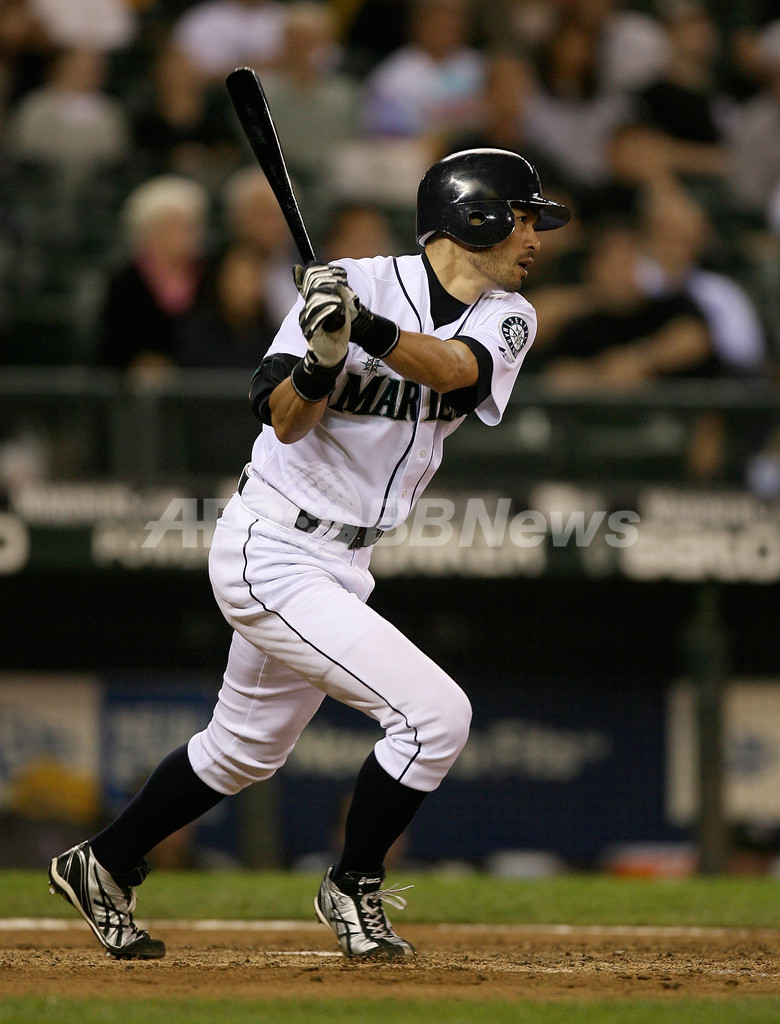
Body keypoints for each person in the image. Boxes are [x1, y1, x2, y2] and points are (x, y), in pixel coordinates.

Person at [47, 147, 570, 960]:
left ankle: (102, 863)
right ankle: (352, 885)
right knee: (437, 718)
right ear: (479, 215)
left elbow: (457, 375)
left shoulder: (507, 314)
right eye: (528, 216)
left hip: (347, 561)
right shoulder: (348, 283)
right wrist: (324, 359)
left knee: (241, 750)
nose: (537, 235)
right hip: (272, 546)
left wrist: (365, 331)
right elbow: (283, 419)